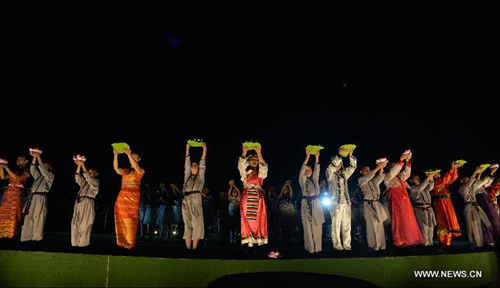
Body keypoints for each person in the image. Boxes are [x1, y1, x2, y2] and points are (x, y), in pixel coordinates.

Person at [383, 151, 425, 248]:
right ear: (389, 168)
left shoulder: (400, 177)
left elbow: (407, 173)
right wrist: (400, 160)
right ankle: (400, 240)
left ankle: (411, 239)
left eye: (395, 165)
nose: (394, 168)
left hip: (405, 200)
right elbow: (394, 172)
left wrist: (407, 161)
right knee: (399, 219)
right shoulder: (387, 177)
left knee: (409, 218)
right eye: (392, 166)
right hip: (396, 200)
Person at [113, 147, 145, 249]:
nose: (133, 159)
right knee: (121, 219)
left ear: (139, 160)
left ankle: (130, 243)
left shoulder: (140, 171)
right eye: (132, 157)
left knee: (131, 219)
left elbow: (136, 167)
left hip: (133, 199)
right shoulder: (126, 171)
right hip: (122, 198)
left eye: (136, 158)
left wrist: (129, 155)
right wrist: (115, 155)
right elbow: (116, 169)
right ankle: (122, 241)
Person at [326, 147, 357, 251]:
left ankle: (347, 246)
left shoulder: (344, 175)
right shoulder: (329, 174)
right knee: (336, 224)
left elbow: (352, 167)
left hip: (346, 202)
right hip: (335, 203)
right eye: (337, 163)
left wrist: (350, 156)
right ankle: (337, 246)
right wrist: (339, 155)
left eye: (341, 163)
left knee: (347, 224)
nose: (339, 164)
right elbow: (332, 167)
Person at [238, 145, 269, 251]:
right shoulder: (245, 172)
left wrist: (259, 153)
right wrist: (244, 152)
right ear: (248, 160)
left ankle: (257, 244)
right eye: (252, 159)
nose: (255, 161)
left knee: (258, 220)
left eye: (256, 159)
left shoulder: (260, 173)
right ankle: (248, 244)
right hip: (247, 197)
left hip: (257, 198)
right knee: (246, 220)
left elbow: (264, 166)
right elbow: (241, 164)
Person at [21, 151, 54, 242]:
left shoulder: (50, 176)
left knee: (38, 217)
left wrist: (38, 157)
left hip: (41, 197)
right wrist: (34, 157)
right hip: (33, 197)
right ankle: (26, 237)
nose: (44, 167)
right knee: (28, 216)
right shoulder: (38, 176)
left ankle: (37, 238)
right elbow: (33, 169)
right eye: (44, 166)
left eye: (47, 166)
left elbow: (43, 170)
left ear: (50, 168)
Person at [431, 162, 463, 251]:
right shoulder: (433, 182)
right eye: (436, 173)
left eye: (438, 172)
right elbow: (445, 179)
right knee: (442, 223)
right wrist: (451, 169)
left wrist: (455, 169)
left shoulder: (443, 182)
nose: (437, 174)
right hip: (439, 203)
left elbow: (453, 178)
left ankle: (448, 243)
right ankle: (442, 244)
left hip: (447, 203)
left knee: (449, 222)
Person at [459, 166, 492, 250]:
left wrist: (482, 173)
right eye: (465, 180)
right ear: (462, 181)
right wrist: (475, 171)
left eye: (467, 180)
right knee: (471, 226)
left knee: (478, 224)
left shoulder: (471, 188)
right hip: (468, 206)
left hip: (475, 206)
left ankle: (480, 244)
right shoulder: (462, 188)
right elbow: (470, 182)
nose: (467, 181)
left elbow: (477, 183)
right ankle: (474, 245)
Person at [357, 161, 388, 252]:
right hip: (368, 204)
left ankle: (382, 246)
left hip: (376, 203)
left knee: (379, 225)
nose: (368, 171)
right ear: (361, 172)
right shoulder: (361, 180)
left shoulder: (373, 181)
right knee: (372, 225)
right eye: (365, 170)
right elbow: (368, 177)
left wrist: (382, 167)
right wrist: (378, 167)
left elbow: (380, 177)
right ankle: (373, 246)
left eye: (368, 170)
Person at [182, 143, 207, 251]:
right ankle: (188, 249)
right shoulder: (187, 176)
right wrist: (187, 148)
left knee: (196, 224)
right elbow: (186, 164)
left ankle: (194, 249)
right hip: (186, 201)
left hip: (196, 200)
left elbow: (202, 164)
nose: (193, 165)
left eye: (195, 165)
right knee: (187, 224)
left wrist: (204, 149)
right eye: (192, 165)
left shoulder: (200, 178)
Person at [298, 149, 324, 255]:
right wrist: (307, 157)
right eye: (306, 170)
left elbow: (317, 171)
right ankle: (310, 249)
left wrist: (316, 157)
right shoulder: (302, 180)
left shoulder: (315, 180)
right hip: (306, 203)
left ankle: (318, 249)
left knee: (317, 226)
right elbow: (301, 173)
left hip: (316, 203)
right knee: (307, 227)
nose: (308, 171)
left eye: (309, 170)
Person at [71, 158, 99, 247]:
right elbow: (77, 177)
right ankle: (74, 243)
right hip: (79, 202)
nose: (89, 174)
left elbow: (88, 178)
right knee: (76, 222)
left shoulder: (95, 182)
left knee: (86, 223)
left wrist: (83, 164)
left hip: (88, 202)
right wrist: (79, 165)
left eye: (91, 172)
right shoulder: (84, 183)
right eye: (89, 172)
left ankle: (83, 244)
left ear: (96, 174)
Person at [0, 156, 30, 239]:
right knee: (4, 212)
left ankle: (12, 233)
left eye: (21, 159)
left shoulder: (27, 171)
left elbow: (17, 178)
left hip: (16, 193)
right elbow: (3, 177)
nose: (19, 160)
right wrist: (1, 168)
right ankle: (3, 232)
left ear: (26, 161)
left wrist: (6, 167)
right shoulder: (15, 171)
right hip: (8, 193)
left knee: (13, 212)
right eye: (18, 159)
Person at [409, 173, 436, 247]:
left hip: (429, 209)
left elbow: (430, 187)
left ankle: (430, 244)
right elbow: (420, 188)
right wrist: (428, 177)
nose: (416, 178)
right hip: (420, 209)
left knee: (431, 227)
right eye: (414, 178)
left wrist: (431, 178)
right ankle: (424, 244)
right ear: (411, 180)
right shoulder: (413, 188)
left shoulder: (424, 187)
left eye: (417, 177)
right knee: (424, 227)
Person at [474, 166, 499, 248]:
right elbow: (482, 181)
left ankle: (493, 240)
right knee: (485, 222)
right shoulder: (474, 186)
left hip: (487, 204)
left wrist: (491, 173)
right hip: (482, 204)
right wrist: (491, 173)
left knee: (492, 221)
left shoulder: (481, 186)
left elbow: (486, 182)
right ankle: (488, 241)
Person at [275, 180, 298, 246]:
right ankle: (284, 239)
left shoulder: (289, 193)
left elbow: (291, 193)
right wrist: (285, 185)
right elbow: (281, 193)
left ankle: (288, 239)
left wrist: (289, 186)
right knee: (283, 225)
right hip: (283, 209)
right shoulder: (282, 194)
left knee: (289, 225)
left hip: (289, 209)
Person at [228, 180, 241, 245]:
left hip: (237, 215)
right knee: (231, 228)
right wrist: (231, 186)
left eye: (235, 192)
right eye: (233, 192)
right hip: (231, 215)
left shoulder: (238, 198)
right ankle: (231, 240)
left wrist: (234, 186)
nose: (234, 192)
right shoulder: (231, 198)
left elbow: (238, 191)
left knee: (236, 228)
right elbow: (229, 193)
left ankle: (236, 240)